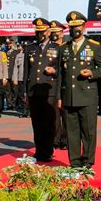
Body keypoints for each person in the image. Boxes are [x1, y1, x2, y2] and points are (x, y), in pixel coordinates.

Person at [60, 11, 101, 168]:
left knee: (88, 131)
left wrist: (92, 73)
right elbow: (61, 74)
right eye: (72, 27)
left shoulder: (93, 46)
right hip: (69, 96)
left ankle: (87, 160)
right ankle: (74, 161)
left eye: (78, 26)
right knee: (71, 132)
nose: (75, 29)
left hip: (87, 95)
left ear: (84, 27)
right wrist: (59, 97)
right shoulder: (64, 48)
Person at [23, 18, 61, 162]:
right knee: (37, 123)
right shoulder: (30, 48)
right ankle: (39, 150)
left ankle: (48, 150)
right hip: (33, 90)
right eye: (37, 31)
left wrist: (54, 71)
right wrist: (25, 92)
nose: (40, 34)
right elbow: (26, 72)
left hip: (49, 90)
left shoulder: (57, 48)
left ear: (48, 31)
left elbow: (61, 70)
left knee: (49, 122)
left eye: (42, 31)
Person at [49, 20, 68, 150]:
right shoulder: (49, 48)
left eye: (57, 32)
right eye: (52, 32)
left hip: (66, 85)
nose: (54, 35)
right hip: (52, 85)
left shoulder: (68, 47)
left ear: (62, 33)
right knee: (54, 115)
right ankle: (55, 140)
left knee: (66, 114)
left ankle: (66, 140)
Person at [12, 42, 29, 118]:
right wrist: (15, 78)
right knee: (21, 95)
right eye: (24, 46)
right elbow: (15, 68)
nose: (25, 47)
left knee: (29, 95)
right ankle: (24, 111)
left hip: (29, 79)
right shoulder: (18, 56)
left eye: (26, 46)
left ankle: (30, 111)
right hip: (21, 78)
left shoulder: (31, 54)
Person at [4, 38, 20, 111]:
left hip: (13, 74)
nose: (8, 45)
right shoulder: (4, 52)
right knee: (7, 91)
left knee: (15, 90)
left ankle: (15, 104)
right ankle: (9, 104)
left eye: (9, 44)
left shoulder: (16, 52)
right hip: (6, 74)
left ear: (12, 44)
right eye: (7, 44)